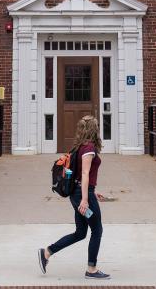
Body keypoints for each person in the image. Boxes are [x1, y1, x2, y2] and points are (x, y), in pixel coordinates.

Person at [38, 115, 110, 280]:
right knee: (97, 230)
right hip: (82, 196)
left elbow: (82, 175)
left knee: (80, 233)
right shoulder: (89, 148)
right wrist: (86, 199)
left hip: (78, 194)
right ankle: (91, 269)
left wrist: (92, 192)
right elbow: (84, 173)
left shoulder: (80, 147)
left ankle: (47, 252)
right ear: (94, 129)